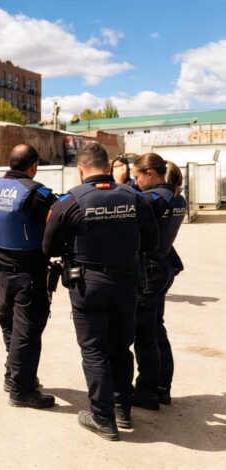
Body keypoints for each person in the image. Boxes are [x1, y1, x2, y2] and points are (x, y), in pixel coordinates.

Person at [43, 142, 158, 440]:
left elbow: (49, 247)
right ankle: (122, 410)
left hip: (88, 283)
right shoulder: (135, 197)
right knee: (120, 347)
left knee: (94, 350)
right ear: (108, 167)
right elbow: (152, 242)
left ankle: (102, 417)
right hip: (126, 282)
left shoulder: (70, 201)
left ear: (81, 170)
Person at [0, 144, 57, 409]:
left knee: (10, 325)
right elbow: (60, 221)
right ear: (33, 166)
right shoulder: (36, 194)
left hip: (1, 270)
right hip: (29, 272)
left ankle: (12, 374)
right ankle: (21, 390)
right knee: (27, 331)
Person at [130, 153, 186, 409]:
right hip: (163, 267)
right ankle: (162, 386)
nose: (135, 181)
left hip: (149, 270)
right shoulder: (176, 197)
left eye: (137, 176)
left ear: (150, 174)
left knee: (144, 333)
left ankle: (147, 391)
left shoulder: (150, 200)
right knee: (155, 327)